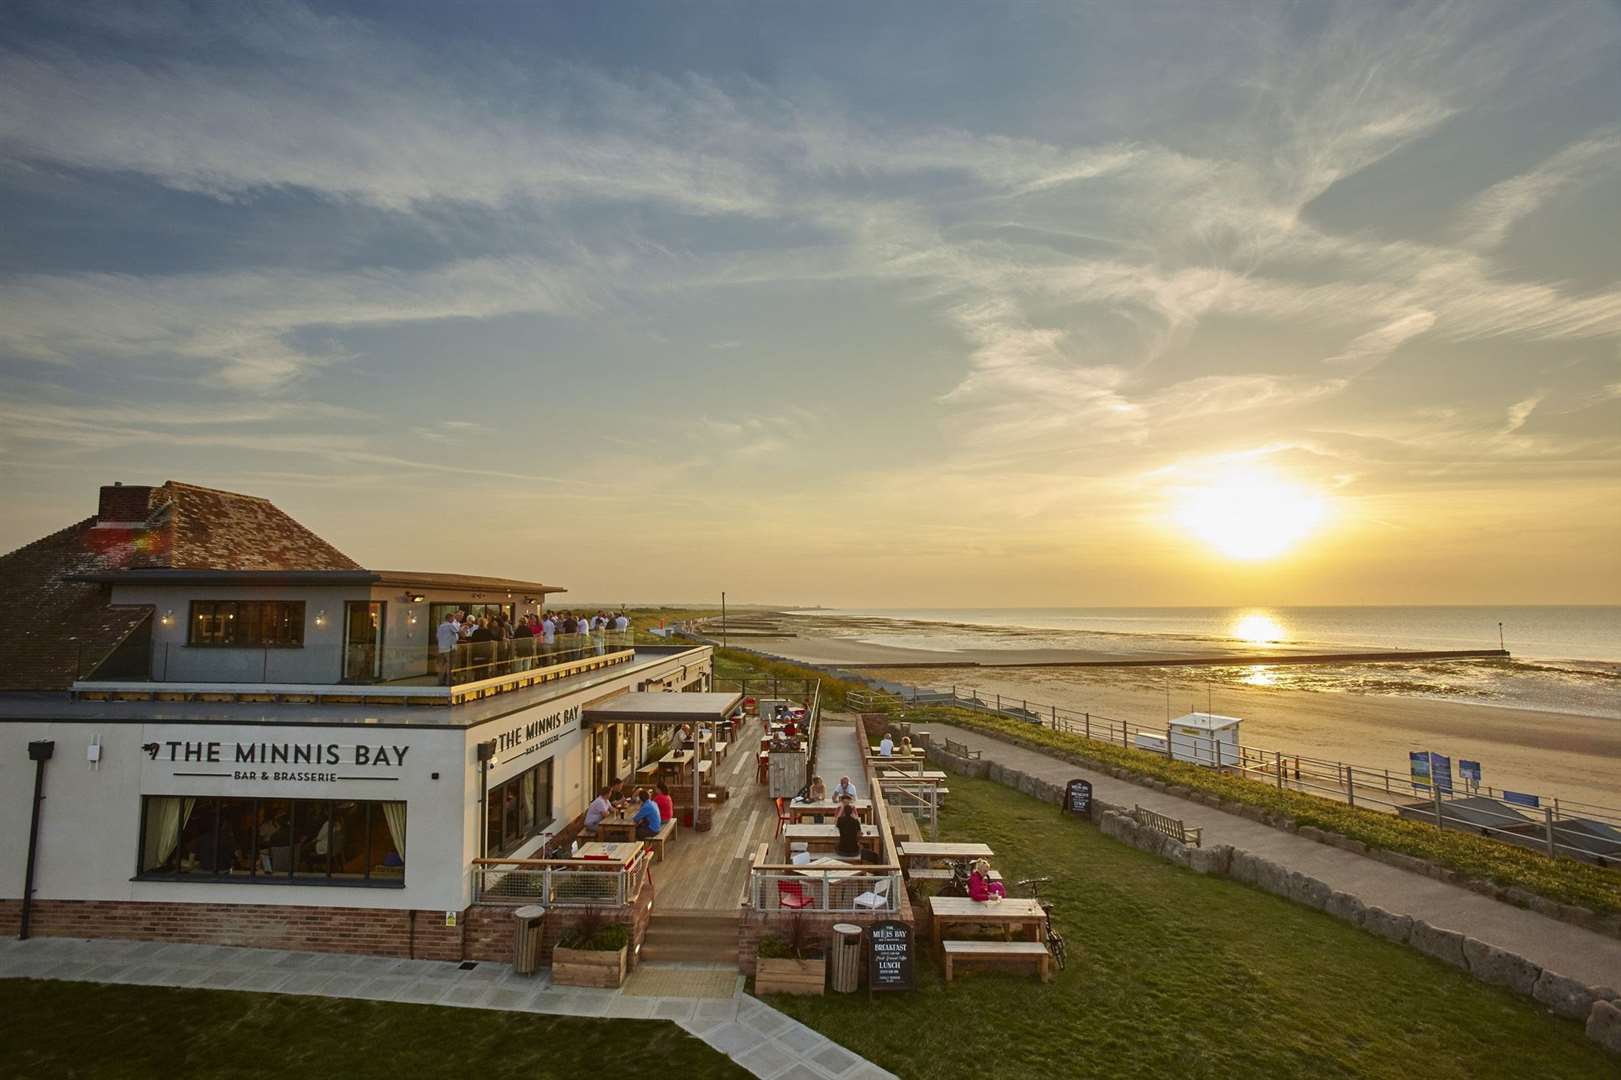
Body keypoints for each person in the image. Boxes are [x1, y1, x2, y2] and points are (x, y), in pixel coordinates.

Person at [436, 612, 460, 684]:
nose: (453, 620)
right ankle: (449, 681)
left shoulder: (441, 626)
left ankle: (440, 681)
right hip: (449, 648)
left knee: (442, 666)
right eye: (453, 618)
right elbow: (458, 631)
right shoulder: (450, 625)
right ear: (449, 618)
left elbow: (437, 637)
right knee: (450, 665)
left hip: (441, 648)